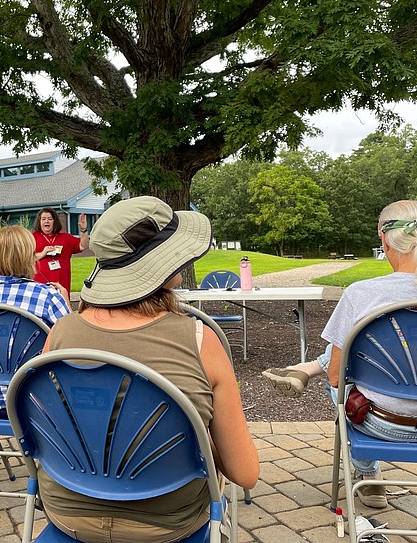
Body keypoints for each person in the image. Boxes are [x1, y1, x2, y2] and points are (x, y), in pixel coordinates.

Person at [38, 196, 259, 543]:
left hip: (68, 513)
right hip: (170, 522)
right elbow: (245, 472)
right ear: (166, 265)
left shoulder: (60, 333)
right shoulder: (201, 342)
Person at [262, 200, 417, 508]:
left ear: (383, 239)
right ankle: (308, 367)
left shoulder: (361, 295)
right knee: (354, 351)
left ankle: (369, 475)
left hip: (381, 424)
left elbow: (335, 379)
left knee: (342, 364)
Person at [0, 225, 71, 411]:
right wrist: (66, 303)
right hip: (41, 401)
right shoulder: (46, 297)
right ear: (28, 256)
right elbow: (73, 343)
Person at [32, 207, 90, 294]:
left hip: (62, 284)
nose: (46, 221)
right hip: (40, 285)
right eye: (43, 219)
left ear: (54, 221)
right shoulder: (32, 237)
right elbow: (26, 258)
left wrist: (83, 230)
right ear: (39, 222)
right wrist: (43, 253)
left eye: (49, 219)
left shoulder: (65, 237)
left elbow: (83, 245)